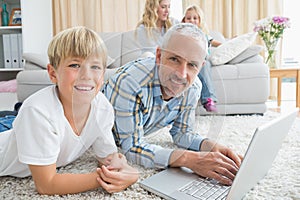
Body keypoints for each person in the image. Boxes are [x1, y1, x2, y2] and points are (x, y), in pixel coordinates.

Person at [0, 26, 138, 195]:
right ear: (52, 73)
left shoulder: (102, 108)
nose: (86, 75)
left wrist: (123, 168)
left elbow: (108, 158)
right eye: (75, 65)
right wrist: (106, 179)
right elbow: (46, 185)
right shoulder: (37, 111)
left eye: (95, 67)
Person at [104, 23, 242, 186]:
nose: (182, 74)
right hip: (102, 129)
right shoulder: (130, 83)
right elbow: (131, 147)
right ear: (159, 56)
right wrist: (189, 159)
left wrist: (209, 146)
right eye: (175, 59)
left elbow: (182, 133)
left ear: (200, 67)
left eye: (192, 65)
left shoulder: (194, 87)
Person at [182, 5, 222, 112]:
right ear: (184, 20)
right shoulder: (183, 34)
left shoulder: (204, 35)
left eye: (195, 18)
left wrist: (230, 42)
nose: (192, 21)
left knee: (206, 65)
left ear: (199, 21)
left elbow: (217, 43)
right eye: (188, 18)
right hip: (190, 60)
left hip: (202, 60)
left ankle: (209, 100)